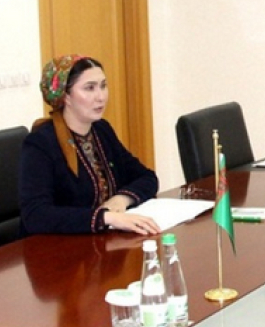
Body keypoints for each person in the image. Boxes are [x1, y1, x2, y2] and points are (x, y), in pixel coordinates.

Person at [18, 55, 160, 236]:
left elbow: (147, 177)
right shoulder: (40, 143)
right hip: (55, 247)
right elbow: (36, 215)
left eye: (103, 86)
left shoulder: (101, 130)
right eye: (89, 88)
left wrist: (122, 199)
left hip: (99, 241)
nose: (101, 97)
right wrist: (105, 218)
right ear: (66, 96)